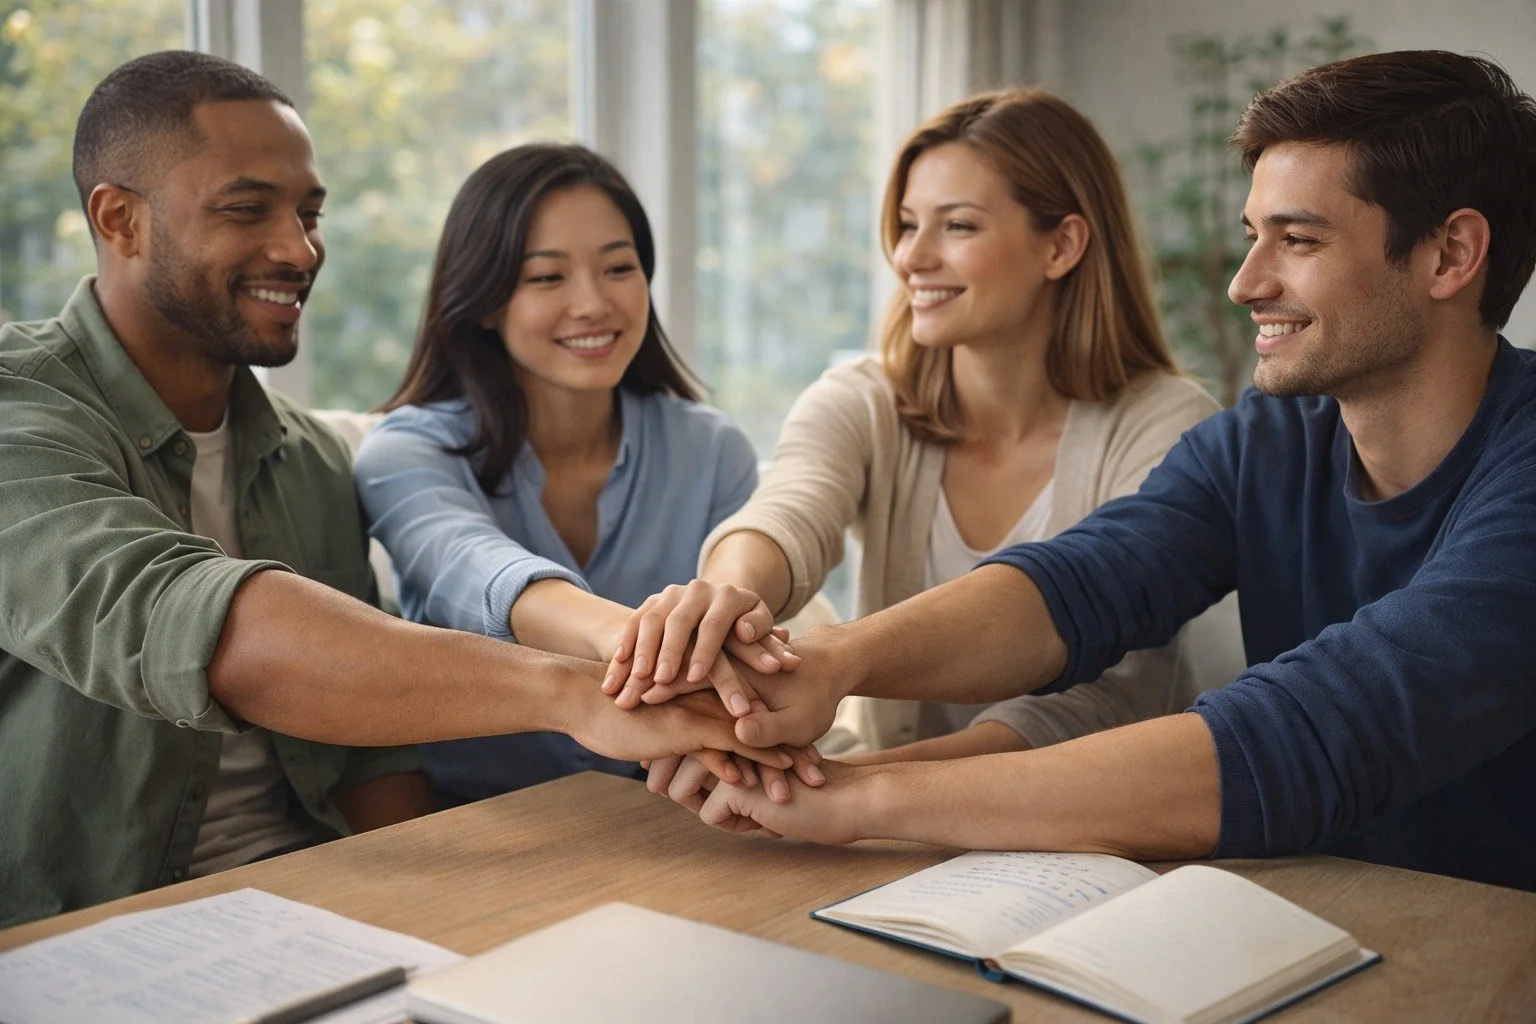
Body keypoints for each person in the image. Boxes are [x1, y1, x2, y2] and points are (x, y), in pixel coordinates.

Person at [649, 50, 1536, 892]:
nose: (1244, 282)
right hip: (1322, 907)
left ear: (1450, 255)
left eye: (1297, 239)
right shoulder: (1269, 440)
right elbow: (1082, 583)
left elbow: (1312, 732)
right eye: (1252, 235)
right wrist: (830, 663)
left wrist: (855, 796)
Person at [0, 51, 789, 928]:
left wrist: (435, 933)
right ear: (119, 220)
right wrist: (577, 694)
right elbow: (186, 619)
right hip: (88, 924)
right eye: (246, 208)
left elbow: (370, 764)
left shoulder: (305, 460)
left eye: (309, 214)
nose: (299, 249)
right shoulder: (19, 410)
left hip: (314, 895)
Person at [607, 87, 1223, 776]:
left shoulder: (1169, 425)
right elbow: (789, 511)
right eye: (906, 224)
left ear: (1062, 245)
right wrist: (727, 604)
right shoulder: (862, 400)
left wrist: (861, 788)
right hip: (884, 829)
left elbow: (1108, 699)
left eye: (957, 226)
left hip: (1087, 832)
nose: (910, 258)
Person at [353, 144, 802, 802]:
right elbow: (477, 569)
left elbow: (741, 643)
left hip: (676, 816)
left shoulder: (712, 451)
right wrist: (644, 639)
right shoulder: (402, 454)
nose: (593, 304)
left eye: (619, 268)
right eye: (546, 278)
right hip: (470, 832)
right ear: (483, 300)